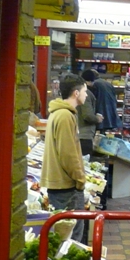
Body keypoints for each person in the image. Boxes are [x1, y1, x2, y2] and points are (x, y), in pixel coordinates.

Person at [41, 73, 89, 243]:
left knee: (65, 233)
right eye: (84, 91)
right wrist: (80, 179)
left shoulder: (59, 113)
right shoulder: (65, 116)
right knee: (72, 237)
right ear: (76, 93)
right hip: (65, 185)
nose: (86, 94)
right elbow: (68, 153)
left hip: (60, 183)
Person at [78, 69, 104, 156]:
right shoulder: (86, 93)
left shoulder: (78, 91)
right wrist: (97, 118)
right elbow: (87, 115)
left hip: (79, 134)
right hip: (84, 135)